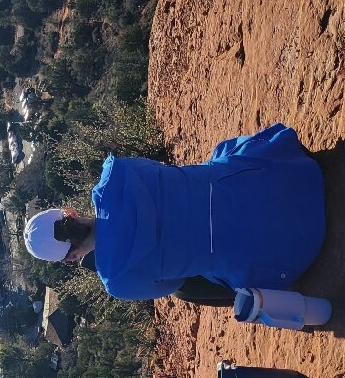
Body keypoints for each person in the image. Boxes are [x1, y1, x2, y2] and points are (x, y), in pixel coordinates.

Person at [23, 123, 326, 303]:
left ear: (73, 257)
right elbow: (163, 172)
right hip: (289, 178)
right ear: (70, 212)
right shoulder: (117, 174)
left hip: (293, 248)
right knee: (217, 162)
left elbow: (177, 283)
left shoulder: (117, 280)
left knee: (187, 287)